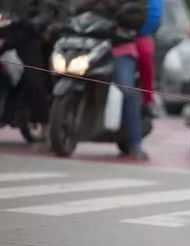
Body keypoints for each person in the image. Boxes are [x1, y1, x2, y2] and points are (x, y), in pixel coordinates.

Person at [78, 0, 149, 160]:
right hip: (88, 44)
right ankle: (48, 131)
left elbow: (140, 14)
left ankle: (135, 143)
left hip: (119, 48)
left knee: (127, 91)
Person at [0, 0, 69, 150]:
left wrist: (30, 21)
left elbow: (51, 12)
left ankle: (44, 121)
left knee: (33, 80)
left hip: (29, 37)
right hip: (6, 33)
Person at [136, 0, 163, 118]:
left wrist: (140, 30)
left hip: (139, 33)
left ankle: (148, 100)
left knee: (145, 55)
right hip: (105, 31)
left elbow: (154, 15)